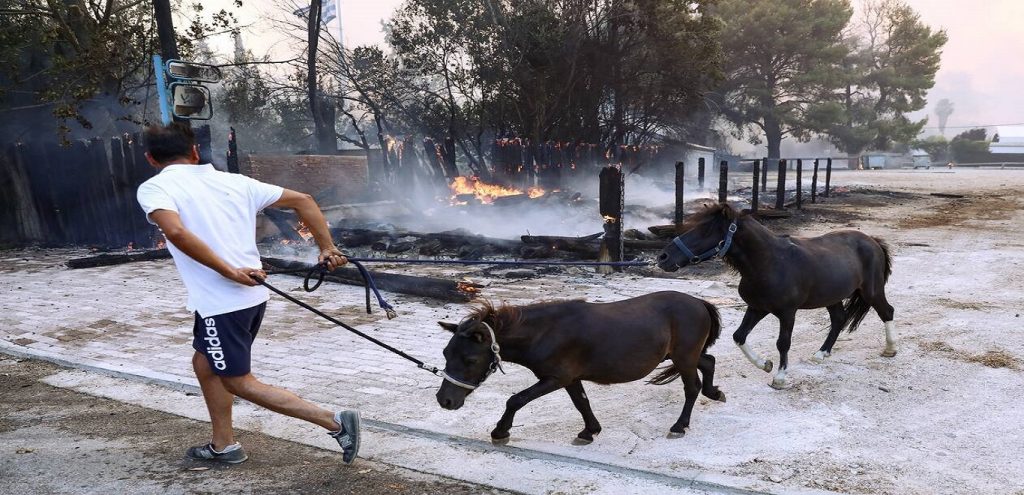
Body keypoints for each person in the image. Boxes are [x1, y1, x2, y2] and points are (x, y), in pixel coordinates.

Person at [135, 122, 360, 465]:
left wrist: (228, 271)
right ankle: (223, 445)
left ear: (151, 158)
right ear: (195, 152)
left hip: (222, 303)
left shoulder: (154, 189)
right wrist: (326, 247)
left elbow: (176, 232)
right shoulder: (235, 182)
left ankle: (335, 423)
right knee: (205, 364)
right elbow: (304, 200)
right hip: (251, 297)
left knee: (238, 381)